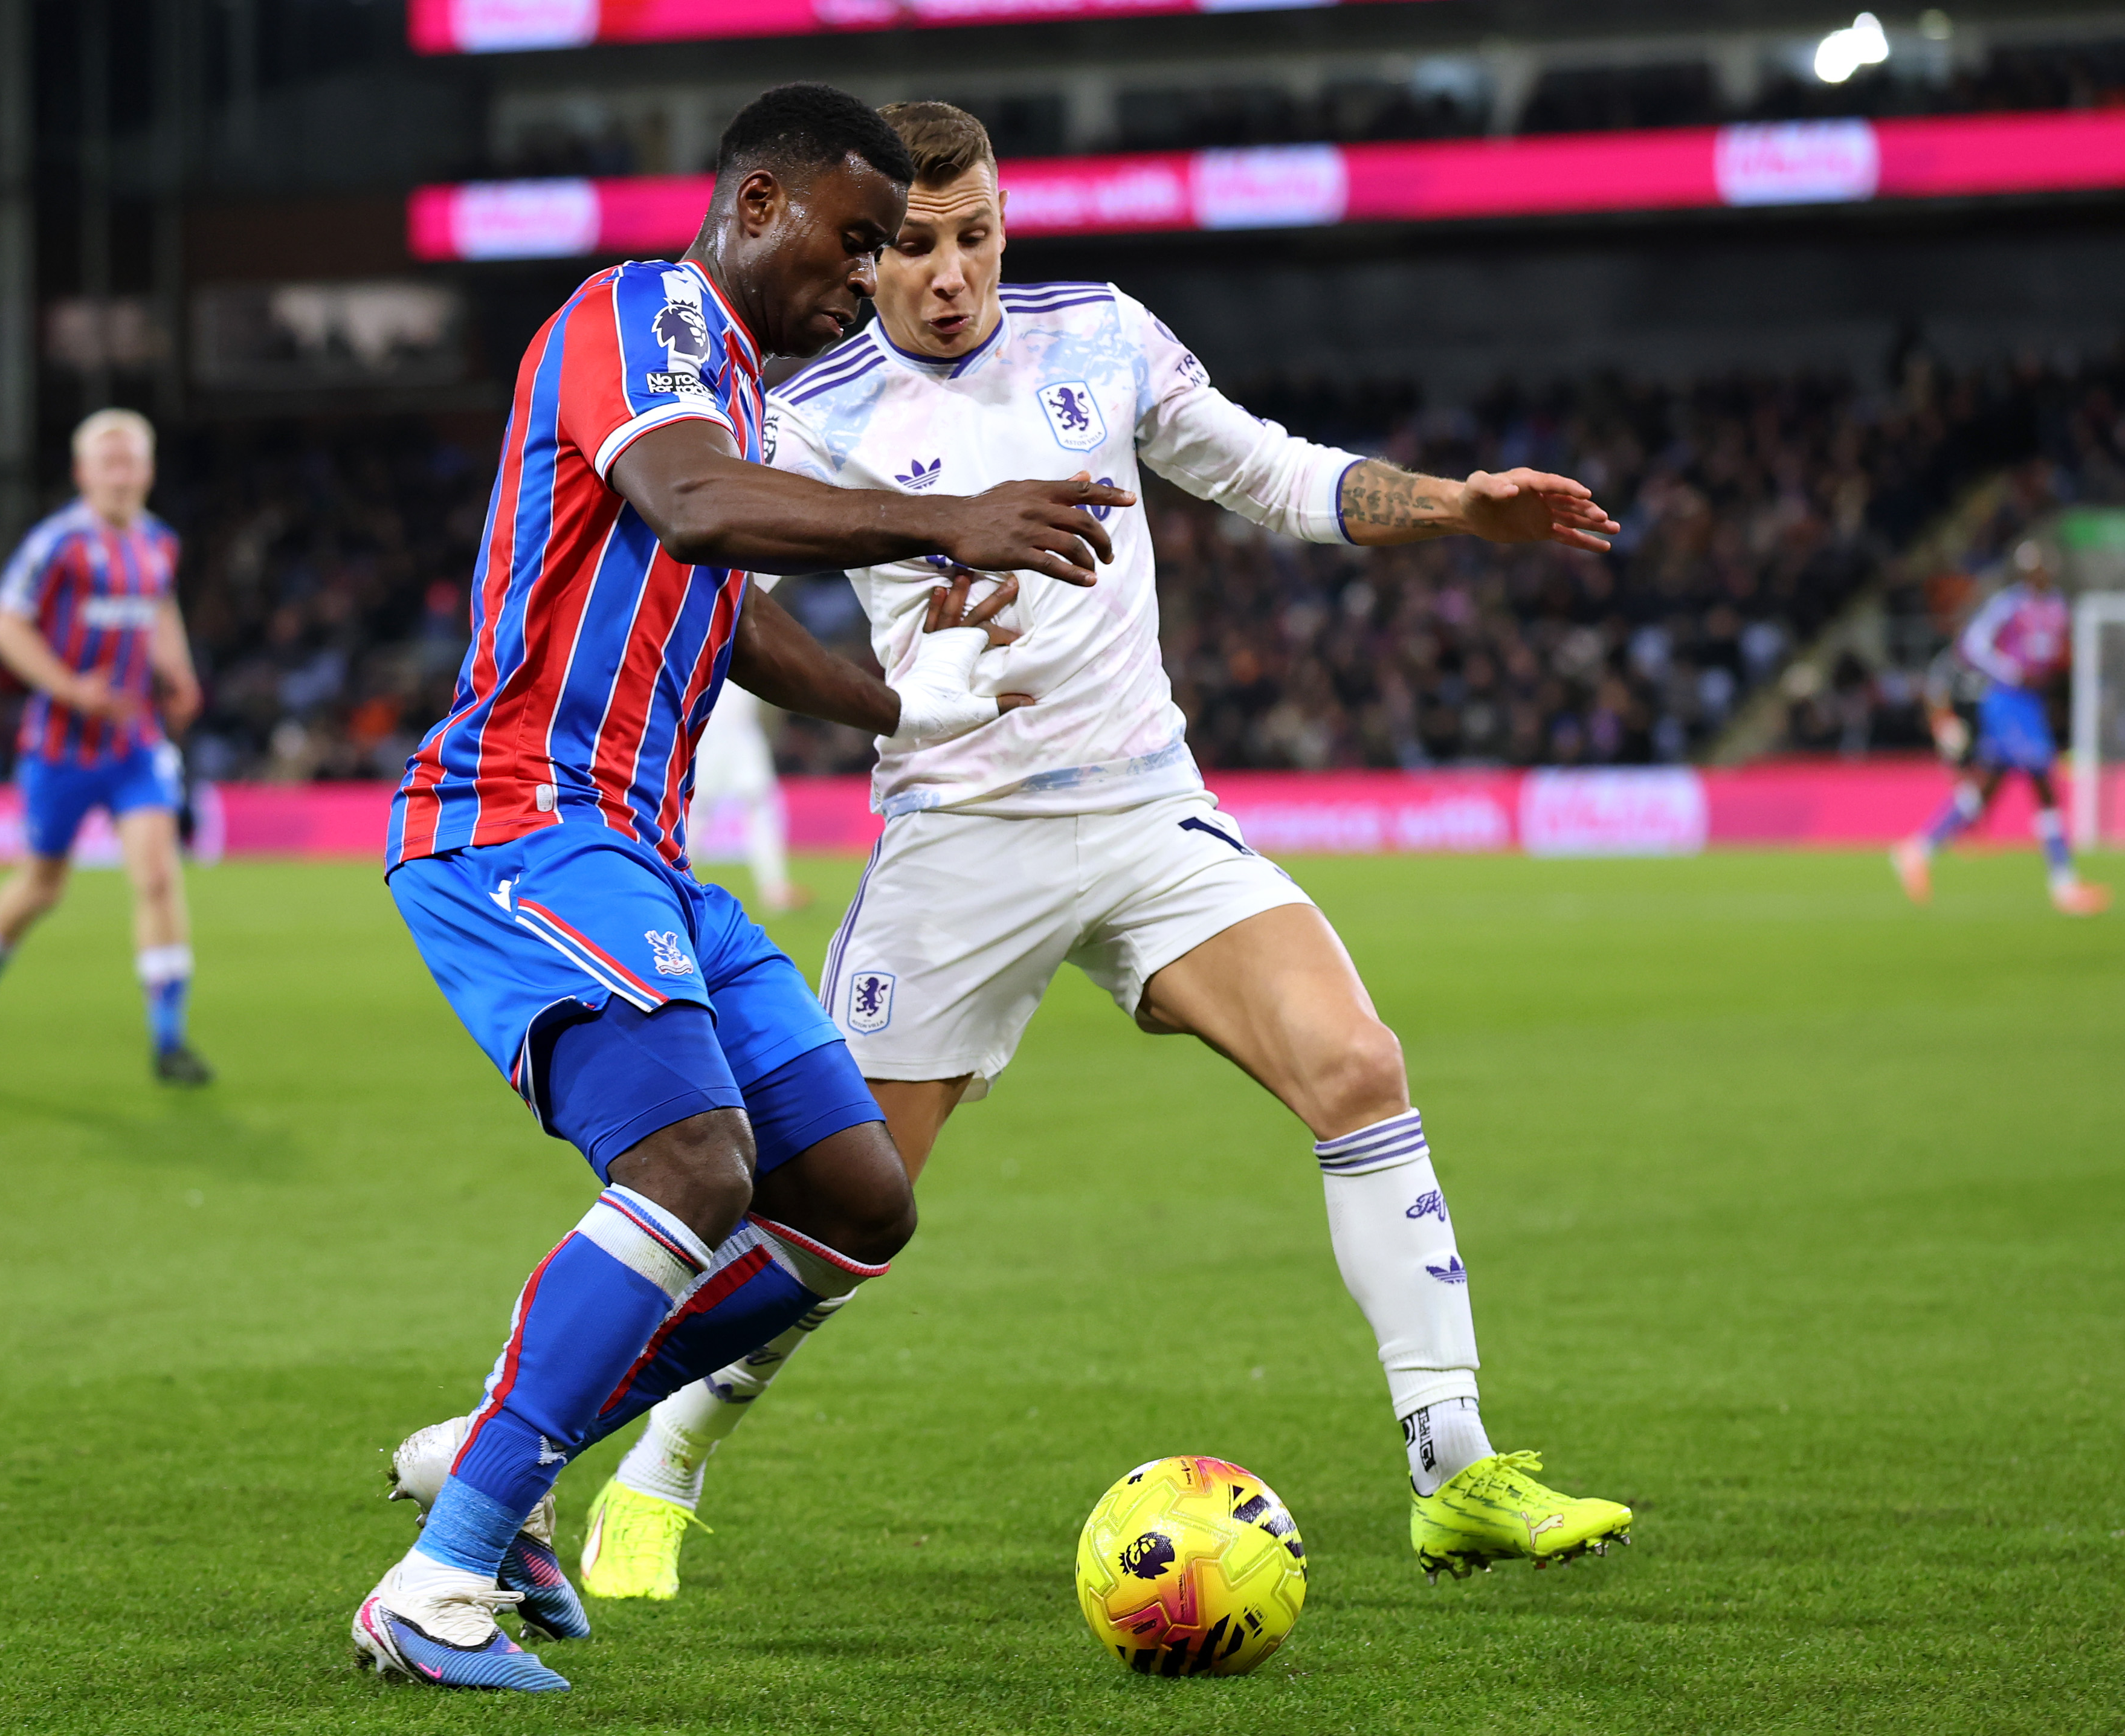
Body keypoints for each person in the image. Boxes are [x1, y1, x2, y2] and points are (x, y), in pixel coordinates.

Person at [385, 98, 1639, 1602]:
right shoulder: (791, 394)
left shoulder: (1100, 334)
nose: (935, 273)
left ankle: (1452, 1462)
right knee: (839, 1199)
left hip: (1145, 808)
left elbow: (1265, 471)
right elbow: (707, 562)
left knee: (1356, 1064)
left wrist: (1450, 506)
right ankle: (657, 1458)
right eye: (899, 245)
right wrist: (910, 666)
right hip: (956, 835)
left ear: (1003, 224)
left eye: (967, 236)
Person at [350, 83, 1135, 1695]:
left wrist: (906, 704)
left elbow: (733, 611)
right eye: (857, 239)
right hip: (520, 819)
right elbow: (690, 506)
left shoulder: (735, 404)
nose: (869, 275)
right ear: (759, 203)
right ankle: (439, 1578)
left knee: (855, 1197)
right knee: (693, 1161)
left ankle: (495, 1449)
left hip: (645, 851)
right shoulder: (643, 315)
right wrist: (945, 521)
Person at [0, 408, 213, 1082]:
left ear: (148, 471)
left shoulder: (158, 543)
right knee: (43, 886)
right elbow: (5, 625)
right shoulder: (57, 544)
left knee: (157, 876)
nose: (121, 475)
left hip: (134, 743)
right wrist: (71, 688)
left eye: (131, 462)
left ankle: (168, 1040)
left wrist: (178, 671)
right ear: (82, 473)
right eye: (108, 463)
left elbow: (159, 609)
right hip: (60, 748)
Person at [1894, 540, 2109, 915]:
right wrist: (2010, 671)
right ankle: (2063, 884)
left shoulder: (2058, 606)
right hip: (2007, 701)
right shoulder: (2008, 605)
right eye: (2033, 568)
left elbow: (2055, 654)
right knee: (2044, 785)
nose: (2039, 574)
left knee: (1986, 789)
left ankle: (1918, 850)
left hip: (2032, 703)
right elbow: (1972, 644)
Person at [693, 644, 808, 911]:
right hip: (722, 731)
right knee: (702, 812)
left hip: (727, 732)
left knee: (707, 811)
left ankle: (775, 889)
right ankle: (774, 890)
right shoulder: (724, 629)